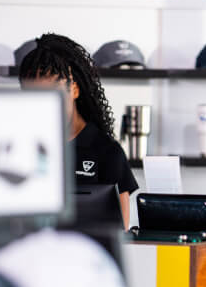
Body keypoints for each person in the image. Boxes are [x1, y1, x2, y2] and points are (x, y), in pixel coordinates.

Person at [18, 33, 138, 229]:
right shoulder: (22, 149)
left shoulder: (107, 152)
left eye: (51, 95)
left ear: (74, 89)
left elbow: (120, 233)